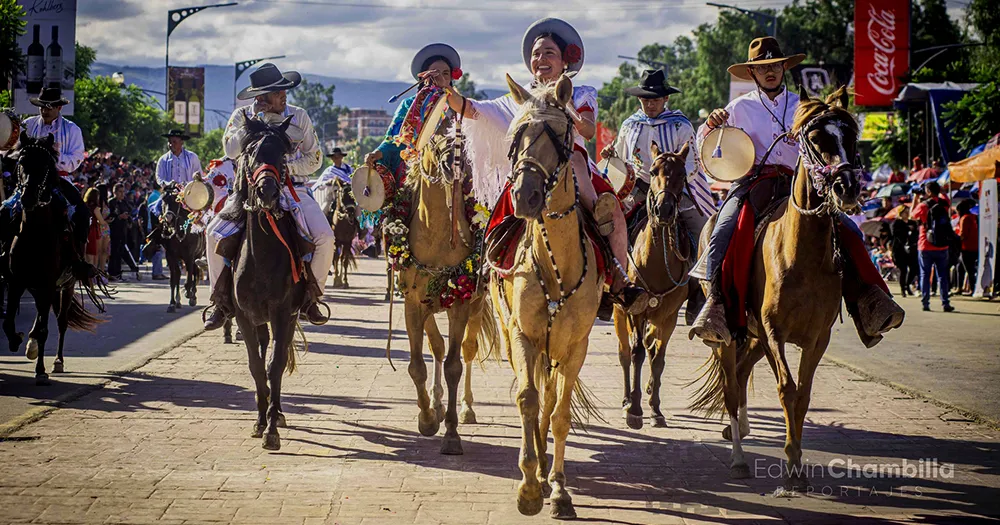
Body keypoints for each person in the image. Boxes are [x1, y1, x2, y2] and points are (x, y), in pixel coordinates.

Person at [689, 36, 902, 347]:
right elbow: (709, 149)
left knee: (849, 231)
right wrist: (709, 125)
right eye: (763, 68)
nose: (770, 71)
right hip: (754, 183)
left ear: (784, 67)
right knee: (722, 231)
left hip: (799, 185)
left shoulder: (805, 106)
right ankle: (716, 306)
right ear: (752, 73)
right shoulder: (738, 108)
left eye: (775, 65)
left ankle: (870, 303)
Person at [443, 19, 648, 313]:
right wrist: (444, 88)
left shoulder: (580, 93)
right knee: (500, 215)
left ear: (565, 61)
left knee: (611, 208)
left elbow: (588, 131)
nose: (540, 59)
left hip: (573, 163)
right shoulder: (518, 100)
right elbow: (472, 109)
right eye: (536, 54)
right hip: (532, 167)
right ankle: (489, 271)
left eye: (549, 53)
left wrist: (563, 105)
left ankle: (618, 279)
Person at [202, 63, 334, 329]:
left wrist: (286, 168)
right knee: (213, 233)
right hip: (247, 192)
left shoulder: (300, 116)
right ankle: (220, 301)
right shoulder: (241, 116)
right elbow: (230, 150)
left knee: (325, 237)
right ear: (261, 97)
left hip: (293, 190)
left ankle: (312, 297)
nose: (284, 95)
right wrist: (252, 122)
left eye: (284, 89)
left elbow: (315, 159)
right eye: (277, 92)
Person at [601, 68, 714, 320]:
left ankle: (697, 291)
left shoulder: (680, 125)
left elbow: (692, 163)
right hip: (638, 189)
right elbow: (622, 157)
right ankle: (608, 289)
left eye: (655, 99)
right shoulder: (630, 125)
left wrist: (670, 182)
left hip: (674, 189)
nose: (650, 104)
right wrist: (611, 153)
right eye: (645, 99)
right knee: (607, 229)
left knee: (702, 229)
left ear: (665, 100)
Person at [365, 43, 463, 184]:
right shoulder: (408, 105)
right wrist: (377, 153)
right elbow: (395, 140)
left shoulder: (460, 105)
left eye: (446, 73)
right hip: (415, 167)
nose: (441, 77)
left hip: (455, 163)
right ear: (425, 77)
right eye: (435, 73)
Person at [21, 87, 91, 261]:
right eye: (42, 106)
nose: (45, 110)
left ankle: (79, 261)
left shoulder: (72, 129)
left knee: (82, 213)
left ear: (59, 108)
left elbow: (76, 158)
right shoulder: (28, 125)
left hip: (58, 179)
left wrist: (53, 159)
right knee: (6, 210)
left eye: (49, 107)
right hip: (29, 179)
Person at [911, 181, 954, 312]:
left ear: (928, 192)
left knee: (925, 274)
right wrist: (942, 192)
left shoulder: (923, 205)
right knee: (943, 275)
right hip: (942, 245)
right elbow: (948, 203)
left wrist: (916, 198)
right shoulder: (944, 203)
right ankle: (945, 303)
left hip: (925, 244)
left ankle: (925, 303)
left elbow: (912, 215)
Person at [107, 183, 140, 282]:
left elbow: (129, 212)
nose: (122, 194)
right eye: (120, 192)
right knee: (114, 253)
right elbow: (109, 217)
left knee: (121, 252)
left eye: (123, 192)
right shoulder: (111, 203)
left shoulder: (124, 202)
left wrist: (129, 221)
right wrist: (119, 217)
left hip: (123, 231)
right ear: (115, 192)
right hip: (114, 231)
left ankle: (118, 273)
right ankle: (113, 273)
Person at [890, 206, 916, 297]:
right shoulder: (897, 223)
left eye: (908, 212)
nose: (907, 214)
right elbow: (895, 234)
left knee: (913, 268)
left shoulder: (912, 223)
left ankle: (907, 284)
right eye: (905, 212)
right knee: (903, 270)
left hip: (911, 249)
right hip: (899, 249)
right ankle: (903, 289)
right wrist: (907, 228)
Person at [956, 199, 978, 296]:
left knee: (969, 269)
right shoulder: (973, 217)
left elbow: (963, 234)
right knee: (960, 267)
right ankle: (959, 287)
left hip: (966, 247)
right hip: (974, 245)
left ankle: (972, 289)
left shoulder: (964, 218)